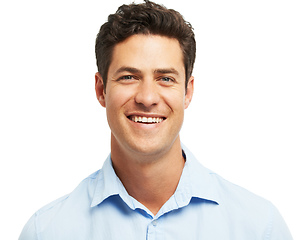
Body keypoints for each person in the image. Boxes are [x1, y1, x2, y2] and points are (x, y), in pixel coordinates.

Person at [19, 0, 293, 239]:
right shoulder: (46, 232)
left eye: (165, 78)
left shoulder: (259, 229)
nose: (147, 97)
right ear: (101, 90)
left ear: (187, 92)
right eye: (129, 76)